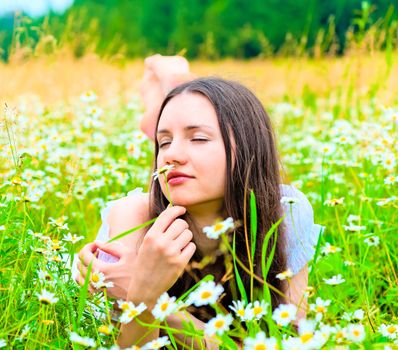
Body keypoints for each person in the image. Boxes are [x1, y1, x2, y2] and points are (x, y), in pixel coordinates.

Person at [75, 55, 322, 348]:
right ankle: (169, 97)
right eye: (163, 142)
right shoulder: (133, 218)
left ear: (247, 148)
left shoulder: (286, 211)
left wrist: (151, 298)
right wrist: (143, 296)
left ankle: (172, 88)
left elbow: (291, 340)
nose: (169, 156)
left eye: (199, 139)